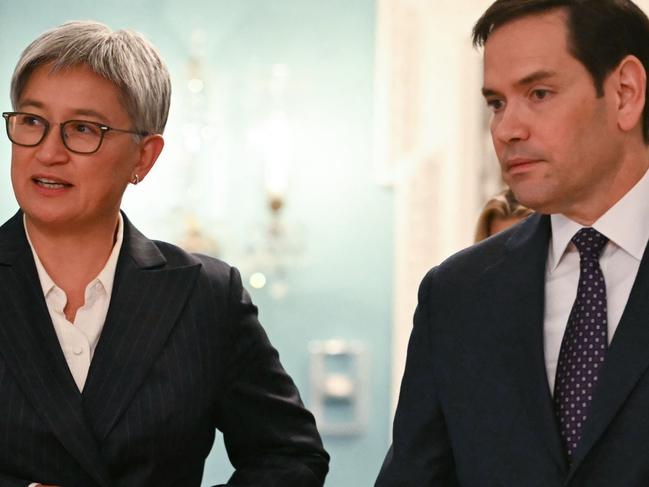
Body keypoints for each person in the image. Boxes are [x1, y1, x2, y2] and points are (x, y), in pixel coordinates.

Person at [0, 21, 328, 487]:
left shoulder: (206, 296)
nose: (49, 151)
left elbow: (291, 459)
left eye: (82, 129)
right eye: (32, 121)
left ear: (144, 157)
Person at [375, 0, 649, 485]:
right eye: (496, 103)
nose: (505, 130)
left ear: (625, 93)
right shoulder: (455, 296)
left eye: (539, 93)